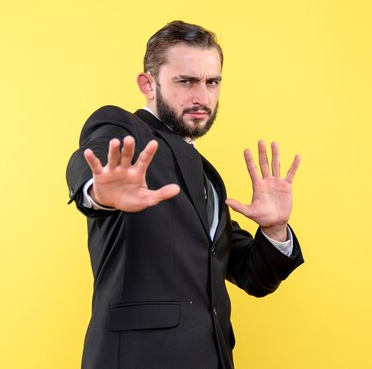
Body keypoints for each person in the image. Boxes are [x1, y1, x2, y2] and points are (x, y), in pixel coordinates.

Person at [66, 20, 304, 369]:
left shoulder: (206, 176)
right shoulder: (125, 129)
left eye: (212, 82)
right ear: (148, 84)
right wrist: (97, 191)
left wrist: (274, 230)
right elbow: (93, 156)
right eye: (186, 81)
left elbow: (254, 277)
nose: (202, 97)